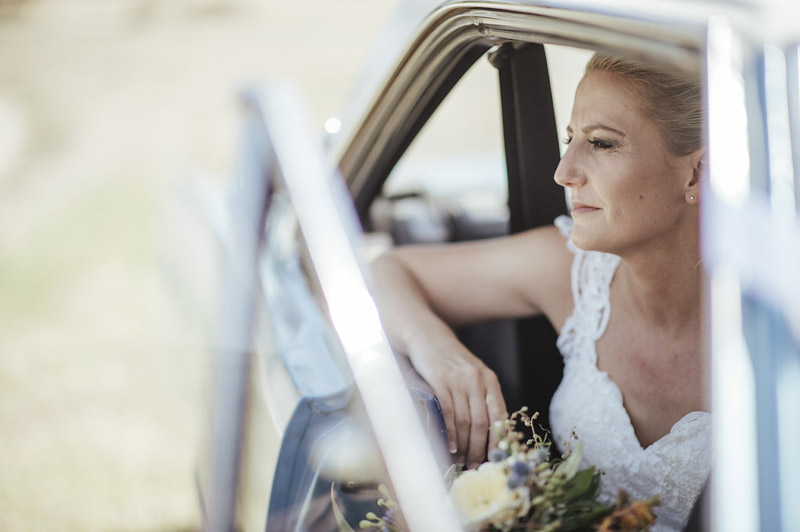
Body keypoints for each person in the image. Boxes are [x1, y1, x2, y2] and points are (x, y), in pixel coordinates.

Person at [370, 53, 711, 532]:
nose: (563, 170)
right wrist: (437, 348)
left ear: (696, 173)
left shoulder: (780, 326)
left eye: (601, 143)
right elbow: (382, 274)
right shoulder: (572, 272)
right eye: (569, 139)